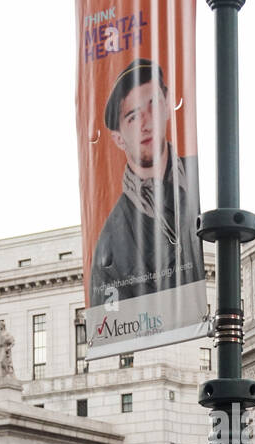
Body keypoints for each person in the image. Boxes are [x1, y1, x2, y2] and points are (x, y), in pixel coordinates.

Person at [89, 58, 205, 305]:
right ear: (118, 139)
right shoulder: (109, 244)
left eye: (152, 105)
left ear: (167, 103)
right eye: (132, 117)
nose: (146, 123)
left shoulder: (201, 182)